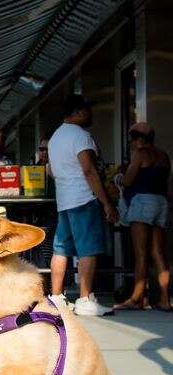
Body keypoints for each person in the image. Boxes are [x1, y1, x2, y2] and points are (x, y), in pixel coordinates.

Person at [48, 94, 119, 316]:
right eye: (87, 111)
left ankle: (57, 298)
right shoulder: (81, 136)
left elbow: (51, 170)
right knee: (87, 249)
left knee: (61, 249)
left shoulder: (55, 138)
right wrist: (107, 203)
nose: (91, 115)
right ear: (78, 112)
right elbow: (89, 170)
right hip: (83, 198)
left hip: (64, 200)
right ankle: (85, 299)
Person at [114, 122, 171, 311]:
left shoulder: (140, 154)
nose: (131, 143)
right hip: (161, 203)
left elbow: (128, 180)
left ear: (139, 139)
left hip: (143, 203)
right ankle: (165, 299)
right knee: (158, 252)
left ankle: (136, 298)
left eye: (132, 139)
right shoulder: (163, 156)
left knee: (140, 253)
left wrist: (120, 176)